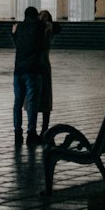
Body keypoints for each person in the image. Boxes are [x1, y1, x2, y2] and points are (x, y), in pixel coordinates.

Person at [11, 6, 44, 147]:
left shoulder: (18, 28)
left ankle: (17, 132)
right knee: (32, 103)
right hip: (32, 70)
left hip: (18, 70)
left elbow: (16, 44)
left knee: (18, 102)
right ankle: (31, 133)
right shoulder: (38, 27)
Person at [37, 9, 61, 138]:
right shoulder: (36, 29)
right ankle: (35, 129)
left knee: (45, 97)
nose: (42, 18)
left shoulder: (48, 29)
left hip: (43, 66)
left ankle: (44, 128)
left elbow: (45, 43)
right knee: (36, 98)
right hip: (37, 65)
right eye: (40, 16)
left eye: (45, 16)